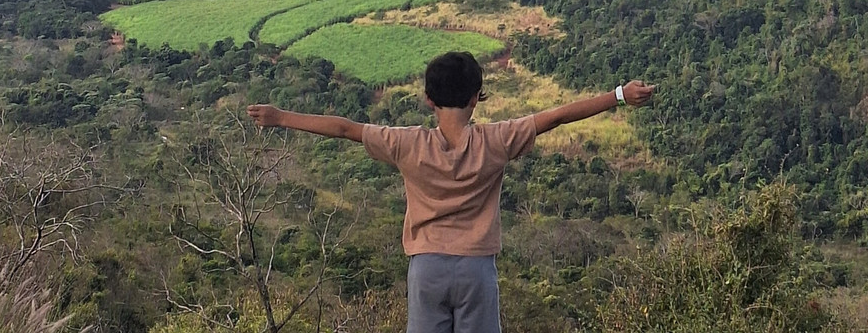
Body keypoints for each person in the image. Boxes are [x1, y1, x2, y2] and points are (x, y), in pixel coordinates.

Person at [247, 50, 655, 333]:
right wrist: (619, 95)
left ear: (428, 100)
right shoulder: (496, 141)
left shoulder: (407, 144)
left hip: (426, 270)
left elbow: (344, 128)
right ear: (477, 97)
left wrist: (281, 117)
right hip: (477, 270)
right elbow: (558, 117)